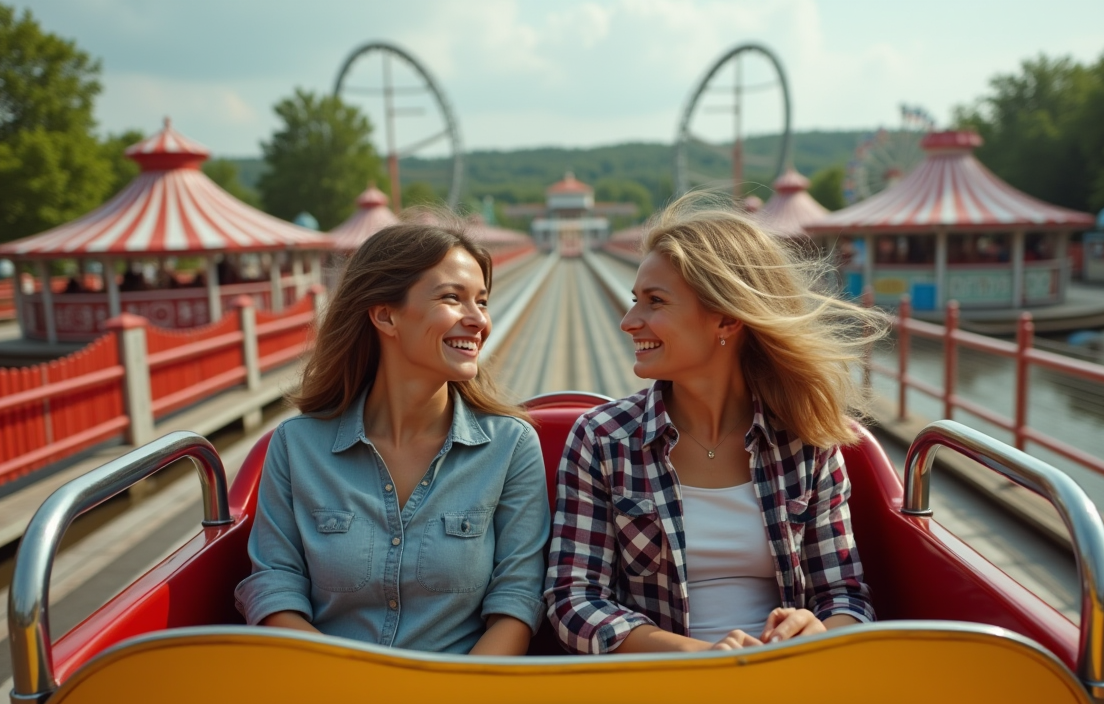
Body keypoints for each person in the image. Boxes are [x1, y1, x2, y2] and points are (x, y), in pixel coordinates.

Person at [545, 194, 887, 655]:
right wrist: (701, 657)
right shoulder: (603, 439)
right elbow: (574, 601)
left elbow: (844, 595)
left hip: (784, 671)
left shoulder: (808, 439)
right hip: (661, 678)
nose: (628, 322)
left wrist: (818, 631)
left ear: (725, 318)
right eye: (634, 301)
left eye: (655, 301)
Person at [235, 222, 550, 655]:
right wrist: (355, 684)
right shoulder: (296, 446)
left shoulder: (511, 446)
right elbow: (274, 587)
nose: (479, 320)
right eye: (452, 298)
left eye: (482, 301)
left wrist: (454, 689)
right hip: (329, 680)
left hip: (461, 686)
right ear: (385, 316)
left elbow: (517, 598)